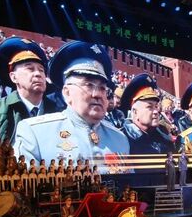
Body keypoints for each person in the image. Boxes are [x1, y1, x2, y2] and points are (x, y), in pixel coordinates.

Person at [13, 41, 129, 173]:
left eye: (102, 88)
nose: (97, 94)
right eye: (88, 85)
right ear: (67, 93)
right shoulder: (35, 132)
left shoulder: (120, 138)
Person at [0, 37, 61, 143]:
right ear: (13, 77)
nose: (38, 74)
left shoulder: (59, 112)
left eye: (41, 70)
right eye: (30, 69)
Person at [120, 74, 174, 154]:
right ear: (135, 112)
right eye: (149, 107)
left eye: (156, 106)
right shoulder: (121, 139)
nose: (156, 111)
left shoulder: (164, 138)